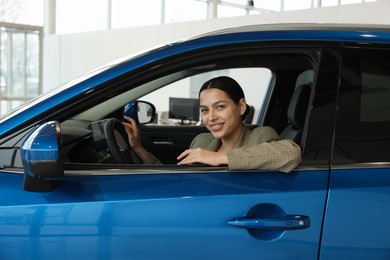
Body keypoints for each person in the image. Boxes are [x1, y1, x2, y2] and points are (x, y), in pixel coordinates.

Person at [123, 76, 301, 173]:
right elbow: (175, 179)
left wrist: (218, 159)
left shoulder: (260, 136)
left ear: (240, 106)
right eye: (205, 110)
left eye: (220, 107)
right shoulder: (202, 141)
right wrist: (139, 149)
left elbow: (291, 153)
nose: (211, 117)